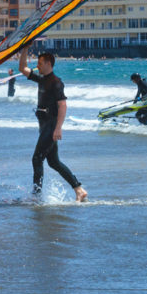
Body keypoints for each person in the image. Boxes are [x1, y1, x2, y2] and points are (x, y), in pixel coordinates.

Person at [19, 48, 88, 202]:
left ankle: (36, 196)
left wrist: (58, 128)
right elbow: (22, 68)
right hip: (44, 126)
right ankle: (79, 190)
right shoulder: (42, 79)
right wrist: (24, 50)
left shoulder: (56, 82)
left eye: (40, 63)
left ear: (48, 63)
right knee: (53, 162)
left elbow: (63, 106)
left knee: (37, 159)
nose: (37, 66)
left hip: (51, 125)